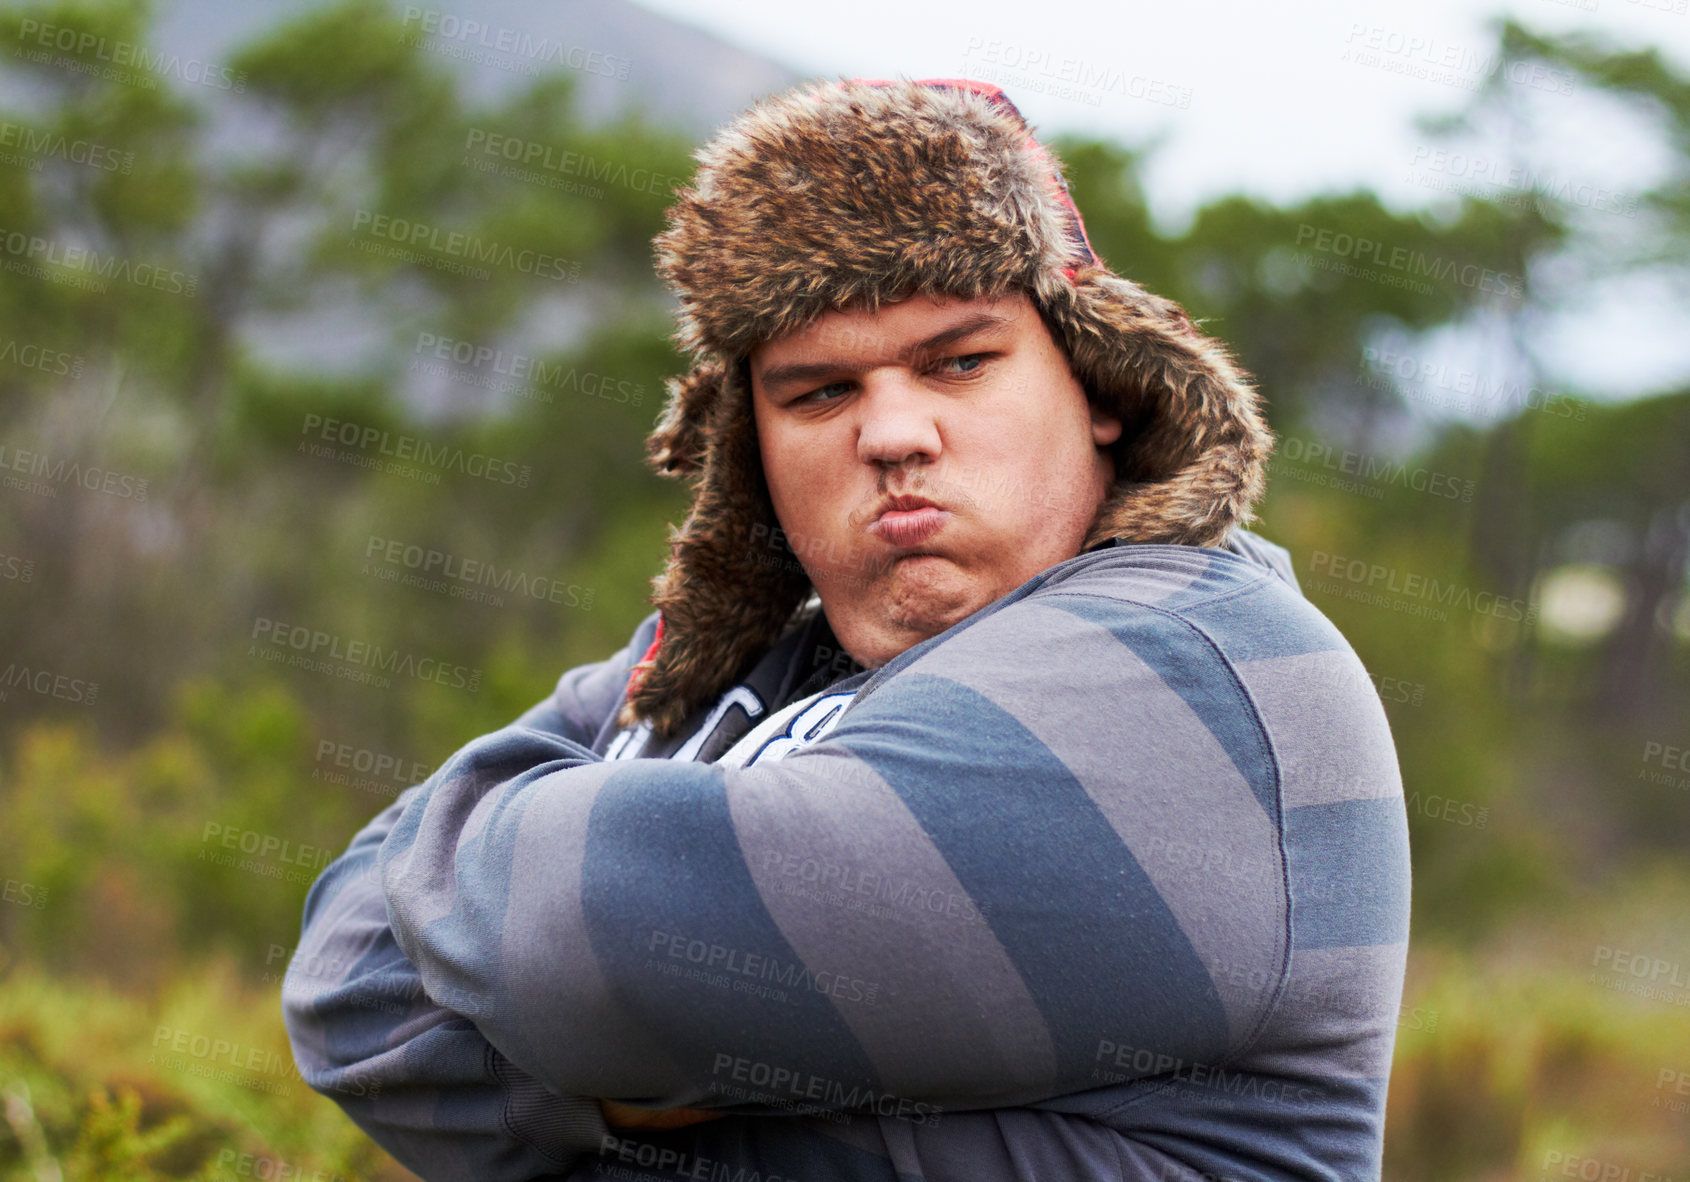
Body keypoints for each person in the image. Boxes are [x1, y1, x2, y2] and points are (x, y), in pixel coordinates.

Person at [282, 77, 1410, 1182]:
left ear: (1098, 382)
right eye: (817, 393)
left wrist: (576, 1054)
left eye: (959, 362)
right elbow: (344, 983)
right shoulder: (727, 668)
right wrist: (645, 1062)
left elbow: (582, 951)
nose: (893, 432)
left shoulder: (1192, 659)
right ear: (751, 447)